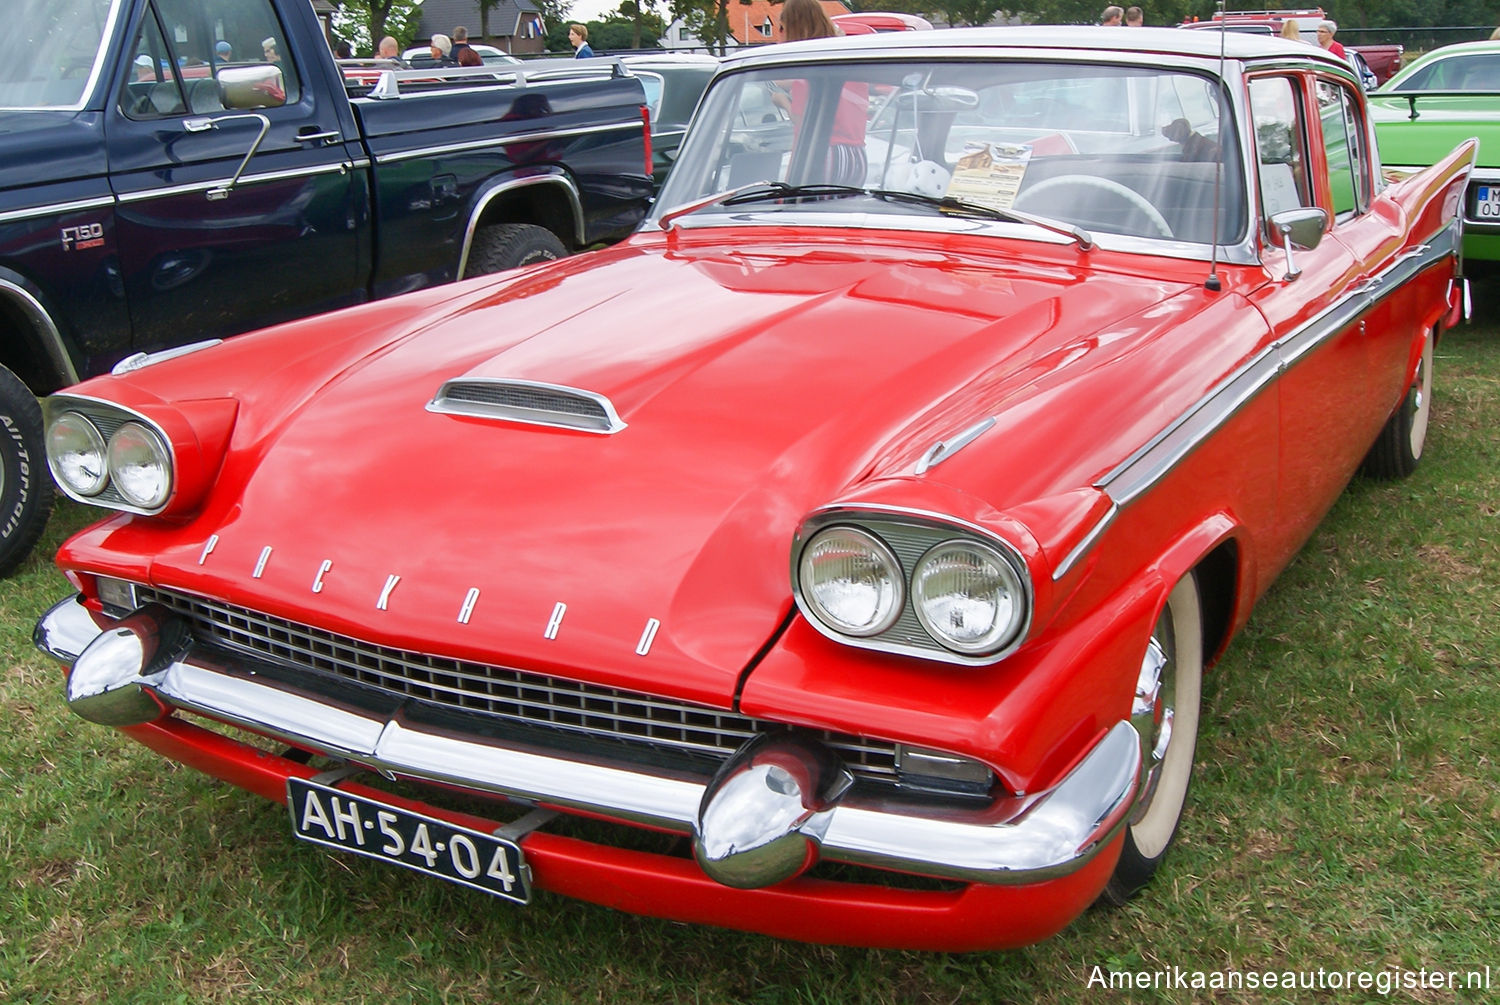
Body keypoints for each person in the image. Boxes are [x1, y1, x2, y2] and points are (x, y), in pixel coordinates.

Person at [776, 0, 868, 186]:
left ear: (793, 26)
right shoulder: (845, 57)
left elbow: (803, 121)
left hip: (826, 153)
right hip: (857, 155)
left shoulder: (809, 68)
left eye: (782, 28)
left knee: (805, 209)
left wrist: (783, 102)